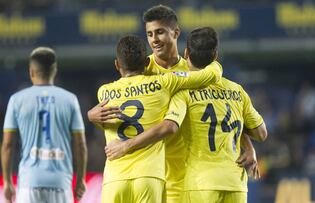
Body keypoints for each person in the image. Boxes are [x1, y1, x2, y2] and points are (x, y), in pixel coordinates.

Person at [87, 5, 259, 202]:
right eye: (149, 34)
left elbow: (223, 108)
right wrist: (91, 115)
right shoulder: (143, 67)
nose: (154, 40)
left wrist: (247, 145)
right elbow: (120, 102)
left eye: (160, 32)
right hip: (154, 170)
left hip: (187, 175)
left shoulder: (192, 68)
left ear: (176, 32)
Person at [98, 35, 222, 203]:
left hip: (115, 177)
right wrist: (214, 63)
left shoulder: (104, 93)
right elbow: (207, 76)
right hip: (149, 175)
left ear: (117, 64)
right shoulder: (163, 83)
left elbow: (106, 124)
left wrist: (91, 116)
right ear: (147, 63)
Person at [1, 47, 87, 203]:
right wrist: (80, 179)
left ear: (31, 72)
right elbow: (80, 145)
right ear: (54, 70)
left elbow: (8, 144)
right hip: (60, 182)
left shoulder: (17, 100)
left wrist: (7, 182)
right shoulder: (70, 99)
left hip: (29, 182)